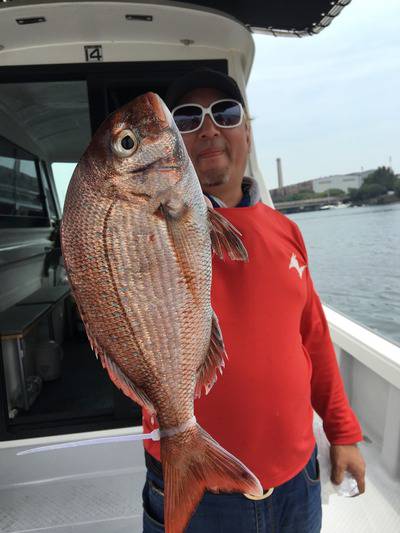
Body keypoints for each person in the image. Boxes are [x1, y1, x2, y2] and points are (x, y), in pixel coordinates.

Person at [141, 68, 366, 532]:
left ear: (246, 130)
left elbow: (315, 340)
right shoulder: (150, 231)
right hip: (196, 488)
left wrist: (342, 432)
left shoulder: (287, 232)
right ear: (172, 147)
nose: (208, 128)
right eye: (186, 119)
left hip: (296, 479)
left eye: (224, 113)